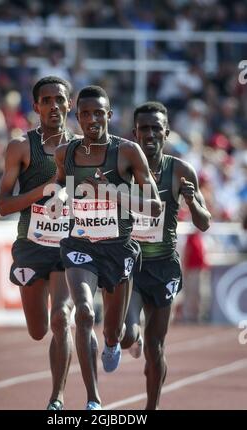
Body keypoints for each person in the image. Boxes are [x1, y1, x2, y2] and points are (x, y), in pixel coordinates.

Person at [50, 86, 162, 410]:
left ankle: (114, 341)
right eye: (85, 114)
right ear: (77, 117)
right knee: (83, 312)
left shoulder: (127, 152)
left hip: (118, 248)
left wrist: (112, 193)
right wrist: (58, 197)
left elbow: (154, 206)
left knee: (115, 331)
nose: (91, 119)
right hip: (80, 243)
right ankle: (93, 400)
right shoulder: (65, 153)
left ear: (109, 115)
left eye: (98, 113)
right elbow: (60, 182)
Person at [121, 101, 211, 410]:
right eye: (143, 128)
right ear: (135, 133)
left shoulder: (181, 170)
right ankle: (130, 337)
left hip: (163, 268)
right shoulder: (123, 169)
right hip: (130, 265)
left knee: (155, 348)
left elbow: (204, 222)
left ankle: (151, 408)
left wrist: (191, 201)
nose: (150, 134)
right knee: (125, 336)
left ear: (166, 132)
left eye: (156, 128)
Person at [0, 76, 78, 410]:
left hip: (68, 247)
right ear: (36, 106)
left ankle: (56, 398)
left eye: (60, 99)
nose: (54, 106)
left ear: (69, 104)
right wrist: (42, 192)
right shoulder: (20, 146)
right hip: (32, 246)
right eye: (47, 100)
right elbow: (3, 205)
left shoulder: (83, 149)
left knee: (61, 318)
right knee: (38, 329)